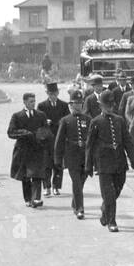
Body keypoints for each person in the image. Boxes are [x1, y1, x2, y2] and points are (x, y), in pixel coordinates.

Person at [85, 92, 134, 232]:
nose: (109, 108)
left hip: (119, 162)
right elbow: (89, 145)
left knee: (117, 190)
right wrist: (88, 165)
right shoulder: (95, 122)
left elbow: (128, 142)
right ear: (101, 106)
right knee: (109, 194)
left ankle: (105, 209)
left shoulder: (120, 120)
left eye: (111, 105)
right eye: (106, 105)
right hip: (103, 163)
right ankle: (111, 221)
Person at [53, 89, 94, 219]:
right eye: (75, 103)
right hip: (71, 155)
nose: (78, 105)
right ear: (70, 104)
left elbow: (93, 140)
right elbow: (59, 141)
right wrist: (58, 159)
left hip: (85, 156)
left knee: (82, 180)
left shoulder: (88, 119)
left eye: (80, 103)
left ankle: (75, 202)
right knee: (76, 181)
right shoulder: (65, 120)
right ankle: (80, 208)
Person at [8, 92, 50, 207]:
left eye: (34, 101)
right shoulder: (17, 116)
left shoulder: (41, 115)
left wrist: (41, 135)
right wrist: (24, 133)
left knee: (37, 174)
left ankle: (36, 198)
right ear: (25, 102)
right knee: (25, 176)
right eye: (31, 101)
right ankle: (28, 199)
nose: (33, 103)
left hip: (37, 149)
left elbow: (46, 130)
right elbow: (11, 132)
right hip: (23, 150)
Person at [38, 81, 71, 197]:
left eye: (54, 93)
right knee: (46, 164)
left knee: (58, 164)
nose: (52, 96)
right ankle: (47, 187)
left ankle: (56, 187)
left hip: (59, 138)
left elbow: (67, 120)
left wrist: (57, 124)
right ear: (47, 93)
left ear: (58, 93)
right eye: (50, 93)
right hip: (47, 140)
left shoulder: (64, 105)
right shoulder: (42, 106)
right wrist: (44, 122)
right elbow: (38, 122)